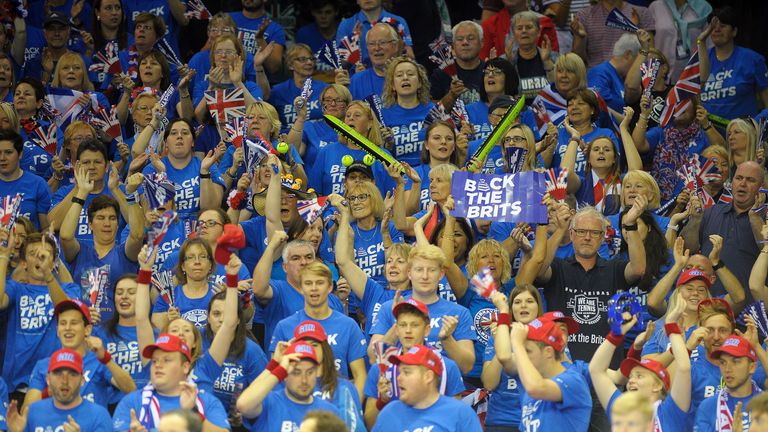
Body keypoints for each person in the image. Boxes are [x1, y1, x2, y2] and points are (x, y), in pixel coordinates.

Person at [535, 203, 647, 364]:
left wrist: (630, 225)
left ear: (602, 238)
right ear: (571, 234)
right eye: (581, 231)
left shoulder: (614, 268)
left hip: (607, 372)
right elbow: (538, 270)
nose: (587, 237)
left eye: (594, 233)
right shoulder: (558, 268)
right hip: (562, 370)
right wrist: (560, 230)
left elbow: (638, 269)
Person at [369, 245, 477, 374]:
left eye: (431, 270)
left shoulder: (459, 313)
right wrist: (398, 322)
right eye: (419, 270)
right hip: (400, 385)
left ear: (441, 274)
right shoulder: (389, 308)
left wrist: (447, 339)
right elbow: (372, 357)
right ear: (409, 273)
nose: (425, 276)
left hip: (443, 387)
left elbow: (467, 366)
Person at [590, 294, 690, 430]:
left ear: (657, 386)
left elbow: (684, 368)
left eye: (639, 376)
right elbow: (595, 370)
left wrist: (671, 325)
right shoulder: (621, 406)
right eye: (631, 376)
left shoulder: (670, 412)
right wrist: (615, 335)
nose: (630, 381)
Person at [268, 262, 368, 397]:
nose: (314, 288)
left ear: (330, 287)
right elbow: (275, 376)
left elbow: (360, 376)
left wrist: (351, 410)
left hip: (337, 407)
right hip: (297, 407)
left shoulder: (348, 325)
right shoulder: (284, 327)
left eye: (320, 283)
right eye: (308, 283)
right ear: (301, 288)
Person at [0, 230, 81, 396]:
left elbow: (67, 312)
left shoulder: (69, 289)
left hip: (57, 382)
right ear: (23, 263)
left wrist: (48, 275)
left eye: (46, 254)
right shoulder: (15, 289)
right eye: (33, 254)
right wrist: (3, 257)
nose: (40, 258)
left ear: (54, 261)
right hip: (17, 385)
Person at [364, 298, 466, 429]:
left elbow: (457, 422)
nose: (408, 330)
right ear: (396, 329)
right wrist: (382, 402)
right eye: (402, 325)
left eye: (414, 325)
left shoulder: (447, 367)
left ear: (427, 330)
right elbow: (371, 424)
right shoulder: (381, 367)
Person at [23, 298, 137, 408]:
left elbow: (131, 389)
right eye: (63, 323)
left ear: (87, 330)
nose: (67, 328)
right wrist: (48, 392)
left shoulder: (99, 361)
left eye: (74, 323)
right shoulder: (43, 366)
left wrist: (106, 359)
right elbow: (25, 414)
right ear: (58, 330)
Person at [60, 170, 142, 322]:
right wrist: (82, 192)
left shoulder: (124, 253)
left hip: (117, 332)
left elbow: (137, 235)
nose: (106, 223)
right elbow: (65, 236)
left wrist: (130, 195)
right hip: (84, 330)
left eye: (112, 218)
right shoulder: (80, 251)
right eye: (100, 218)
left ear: (118, 224)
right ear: (90, 224)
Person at [494, 307, 592, 432]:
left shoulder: (573, 380)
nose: (522, 357)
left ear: (548, 352)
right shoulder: (530, 394)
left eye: (528, 351)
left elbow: (536, 387)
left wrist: (517, 344)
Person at [680, 161, 765, 300]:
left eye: (750, 180)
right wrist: (695, 220)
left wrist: (755, 218)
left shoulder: (765, 216)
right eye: (738, 178)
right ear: (732, 183)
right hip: (708, 303)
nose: (742, 184)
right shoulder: (710, 212)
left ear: (761, 188)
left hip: (749, 310)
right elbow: (686, 249)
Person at [111, 333, 230, 431]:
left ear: (185, 367)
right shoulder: (131, 402)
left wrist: (195, 413)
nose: (158, 365)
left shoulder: (207, 401)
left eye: (166, 360)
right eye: (154, 361)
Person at [252, 232, 345, 350]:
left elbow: (344, 336)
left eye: (308, 257)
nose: (303, 262)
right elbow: (258, 289)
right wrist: (271, 246)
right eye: (295, 258)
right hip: (287, 364)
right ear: (285, 267)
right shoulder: (278, 290)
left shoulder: (331, 298)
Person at [370, 344, 482, 432]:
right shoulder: (389, 413)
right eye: (400, 372)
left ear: (428, 376)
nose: (399, 378)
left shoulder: (460, 413)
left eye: (406, 372)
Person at [236, 340, 340, 430]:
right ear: (285, 375)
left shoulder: (329, 412)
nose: (304, 380)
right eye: (296, 372)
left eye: (309, 372)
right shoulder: (268, 403)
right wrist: (278, 368)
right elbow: (243, 405)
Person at [4, 349, 113, 432]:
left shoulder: (99, 416)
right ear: (48, 379)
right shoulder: (33, 412)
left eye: (72, 374)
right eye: (58, 373)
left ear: (82, 380)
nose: (64, 380)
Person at [699, 7, 768, 120]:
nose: (717, 30)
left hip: (743, 133)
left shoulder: (752, 59)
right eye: (712, 27)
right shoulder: (700, 59)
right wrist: (700, 42)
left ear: (734, 31)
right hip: (707, 133)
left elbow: (766, 101)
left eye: (722, 26)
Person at [695, 333, 767, 431]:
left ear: (752, 367)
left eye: (735, 361)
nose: (727, 369)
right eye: (723, 362)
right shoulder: (707, 407)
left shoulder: (764, 406)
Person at [381, 56, 435, 166]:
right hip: (396, 174)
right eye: (399, 75)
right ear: (392, 85)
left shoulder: (434, 111)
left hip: (429, 173)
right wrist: (388, 145)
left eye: (410, 74)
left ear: (420, 83)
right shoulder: (383, 115)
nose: (405, 78)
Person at [572, 0, 655, 68]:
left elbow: (651, 55)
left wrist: (634, 32)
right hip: (596, 79)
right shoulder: (584, 16)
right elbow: (577, 60)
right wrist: (580, 38)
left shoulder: (641, 13)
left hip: (631, 80)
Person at [268, 44, 326, 133]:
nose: (310, 62)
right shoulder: (278, 92)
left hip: (319, 139)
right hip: (288, 140)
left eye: (311, 59)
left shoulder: (324, 89)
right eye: (303, 59)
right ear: (290, 65)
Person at [0, 129, 51, 230]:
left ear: (20, 154)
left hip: (29, 244)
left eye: (8, 152)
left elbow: (47, 229)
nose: (2, 158)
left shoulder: (38, 184)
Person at [335, 0, 413, 66]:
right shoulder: (346, 25)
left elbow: (410, 57)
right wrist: (351, 45)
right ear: (357, 1)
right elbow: (340, 63)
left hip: (392, 75)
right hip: (358, 77)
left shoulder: (398, 21)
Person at [429, 20, 485, 109]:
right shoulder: (441, 73)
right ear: (453, 45)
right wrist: (451, 95)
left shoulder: (489, 72)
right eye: (460, 39)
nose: (465, 42)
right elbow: (432, 112)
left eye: (470, 38)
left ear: (482, 42)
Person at [508, 11, 557, 102]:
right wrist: (509, 64)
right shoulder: (506, 59)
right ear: (514, 34)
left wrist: (547, 62)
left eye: (529, 27)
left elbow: (559, 89)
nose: (524, 31)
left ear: (538, 31)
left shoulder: (554, 58)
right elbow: (505, 94)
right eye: (519, 28)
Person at [347, 23, 403, 100]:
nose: (377, 48)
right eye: (372, 44)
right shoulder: (356, 81)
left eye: (382, 42)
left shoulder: (408, 77)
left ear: (395, 46)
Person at [587, 33, 640, 113]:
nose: (639, 67)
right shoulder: (600, 73)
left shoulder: (621, 77)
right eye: (637, 61)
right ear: (628, 55)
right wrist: (625, 120)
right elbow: (598, 107)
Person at [230, 0, 286, 74]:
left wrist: (260, 39)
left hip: (256, 81)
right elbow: (210, 51)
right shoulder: (228, 19)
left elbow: (274, 68)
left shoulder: (275, 29)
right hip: (225, 76)